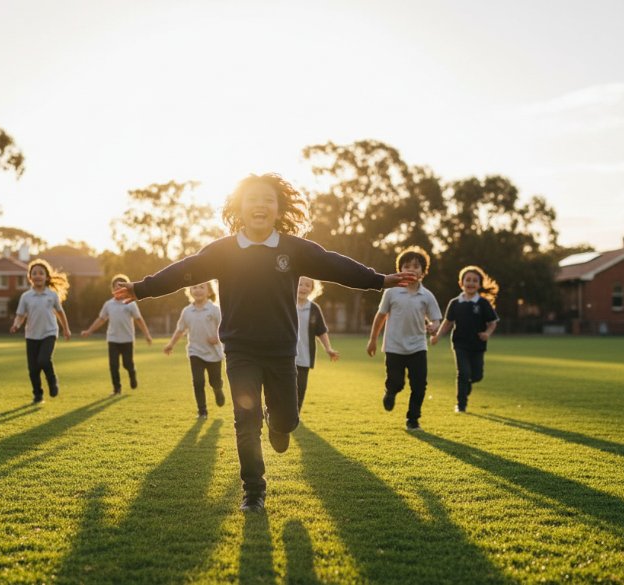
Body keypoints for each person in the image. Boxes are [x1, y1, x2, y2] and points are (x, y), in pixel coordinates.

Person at [114, 172, 415, 512]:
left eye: (267, 199)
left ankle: (280, 423)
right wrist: (142, 288)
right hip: (240, 349)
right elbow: (185, 270)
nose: (259, 205)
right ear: (239, 207)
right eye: (252, 199)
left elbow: (334, 265)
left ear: (278, 208)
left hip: (281, 349)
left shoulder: (293, 249)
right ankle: (253, 491)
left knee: (286, 420)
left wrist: (378, 280)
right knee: (245, 420)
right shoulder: (223, 251)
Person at [366, 246, 442, 431]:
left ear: (423, 271)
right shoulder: (391, 292)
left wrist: (434, 327)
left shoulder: (427, 295)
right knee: (396, 382)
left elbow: (436, 319)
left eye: (416, 266)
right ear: (400, 270)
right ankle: (390, 392)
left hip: (418, 346)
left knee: (419, 385)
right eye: (407, 266)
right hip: (394, 347)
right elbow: (380, 316)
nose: (411, 269)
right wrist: (373, 339)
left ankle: (413, 419)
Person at [431, 265, 500, 413]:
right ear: (461, 283)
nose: (471, 283)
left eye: (475, 280)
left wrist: (487, 333)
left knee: (476, 375)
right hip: (459, 343)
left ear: (479, 284)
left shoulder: (483, 303)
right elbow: (448, 322)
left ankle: (467, 385)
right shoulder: (455, 303)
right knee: (462, 373)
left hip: (478, 345)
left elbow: (492, 323)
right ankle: (461, 405)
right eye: (467, 280)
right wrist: (438, 335)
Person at [10, 259, 72, 404]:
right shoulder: (26, 297)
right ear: (30, 277)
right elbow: (21, 315)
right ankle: (38, 395)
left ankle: (52, 381)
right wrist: (16, 325)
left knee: (44, 360)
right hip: (31, 335)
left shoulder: (52, 295)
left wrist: (66, 329)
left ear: (47, 277)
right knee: (33, 369)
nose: (38, 275)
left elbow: (60, 313)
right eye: (35, 273)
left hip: (49, 333)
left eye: (41, 273)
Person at [163, 281, 226, 420]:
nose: (198, 290)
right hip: (195, 352)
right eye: (194, 287)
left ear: (209, 291)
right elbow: (180, 329)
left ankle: (218, 390)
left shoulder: (214, 309)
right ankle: (202, 411)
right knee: (198, 382)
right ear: (190, 291)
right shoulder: (187, 311)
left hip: (214, 353)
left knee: (214, 381)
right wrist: (171, 344)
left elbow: (224, 326)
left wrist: (217, 337)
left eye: (201, 287)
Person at [81, 274, 153, 395]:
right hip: (113, 339)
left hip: (127, 339)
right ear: (112, 289)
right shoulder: (108, 304)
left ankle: (132, 373)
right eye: (116, 287)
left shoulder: (130, 303)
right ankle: (117, 389)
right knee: (113, 365)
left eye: (121, 287)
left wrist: (147, 335)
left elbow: (139, 320)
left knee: (127, 364)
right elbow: (101, 319)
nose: (118, 290)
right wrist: (89, 331)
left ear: (126, 288)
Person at [294, 277, 339, 412]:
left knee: (300, 389)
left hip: (304, 358)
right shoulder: (287, 304)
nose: (303, 288)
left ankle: (295, 415)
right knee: (283, 387)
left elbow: (321, 332)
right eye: (300, 284)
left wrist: (328, 348)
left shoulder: (314, 309)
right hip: (285, 356)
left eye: (307, 285)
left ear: (312, 289)